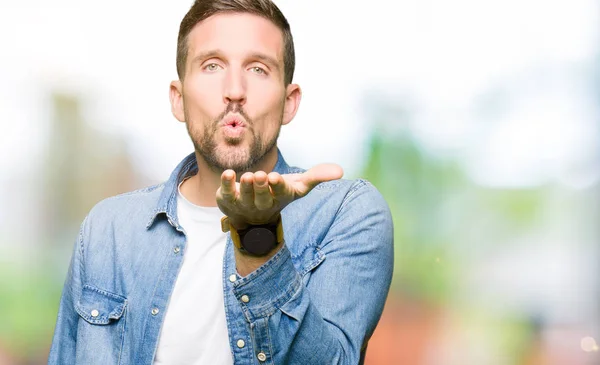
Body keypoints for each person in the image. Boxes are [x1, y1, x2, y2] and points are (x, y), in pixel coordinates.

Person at [48, 1, 394, 364]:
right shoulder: (107, 232)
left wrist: (258, 239)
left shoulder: (344, 213)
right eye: (212, 66)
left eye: (258, 69)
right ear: (178, 99)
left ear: (289, 103)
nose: (234, 90)